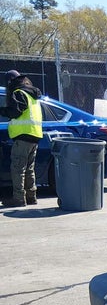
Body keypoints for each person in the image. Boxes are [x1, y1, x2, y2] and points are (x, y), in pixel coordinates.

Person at [1, 70, 43, 207]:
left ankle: (18, 199)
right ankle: (31, 197)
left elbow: (15, 111)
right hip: (35, 135)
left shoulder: (18, 93)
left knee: (18, 169)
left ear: (10, 81)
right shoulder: (32, 94)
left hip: (23, 137)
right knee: (29, 169)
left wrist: (2, 110)